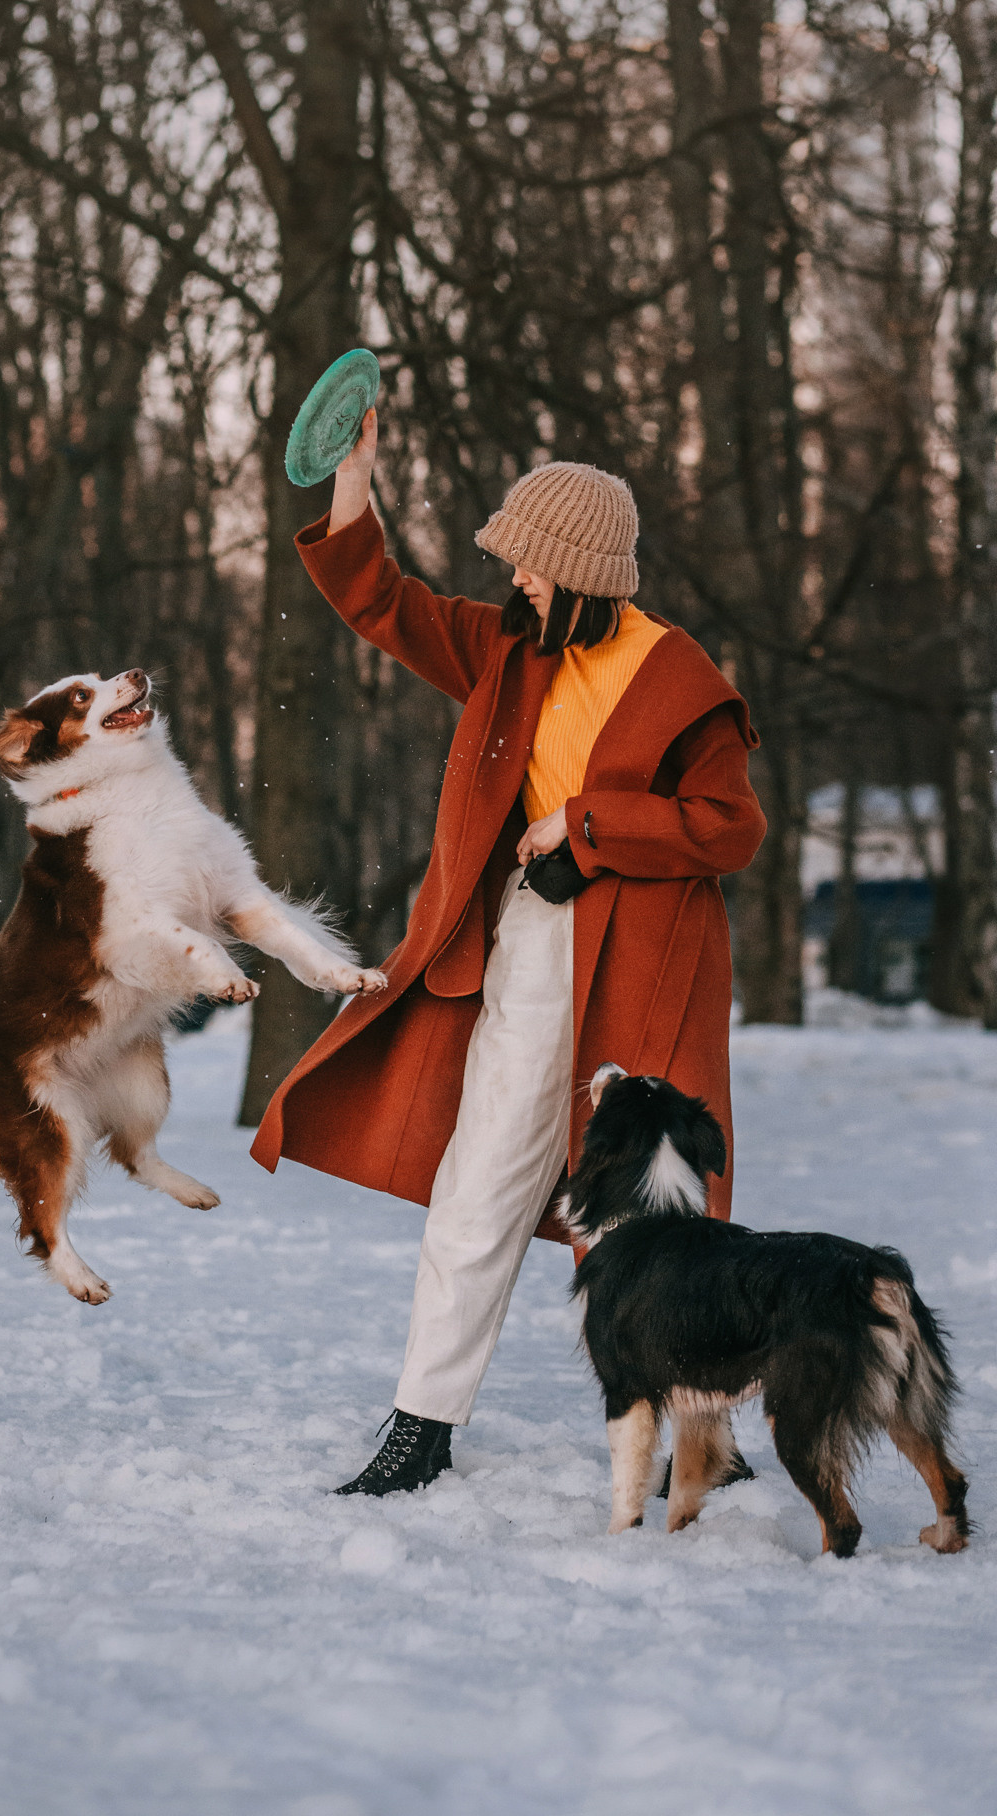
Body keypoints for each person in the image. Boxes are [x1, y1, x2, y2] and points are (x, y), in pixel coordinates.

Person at [250, 409, 767, 1495]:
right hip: (530, 947)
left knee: (655, 1205)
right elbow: (380, 600)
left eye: (531, 563)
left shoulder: (677, 676)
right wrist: (355, 476)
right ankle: (420, 1427)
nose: (515, 579)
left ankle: (701, 1441)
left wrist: (587, 823)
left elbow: (729, 828)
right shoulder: (505, 647)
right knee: (478, 1178)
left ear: (581, 572)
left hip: (651, 964)